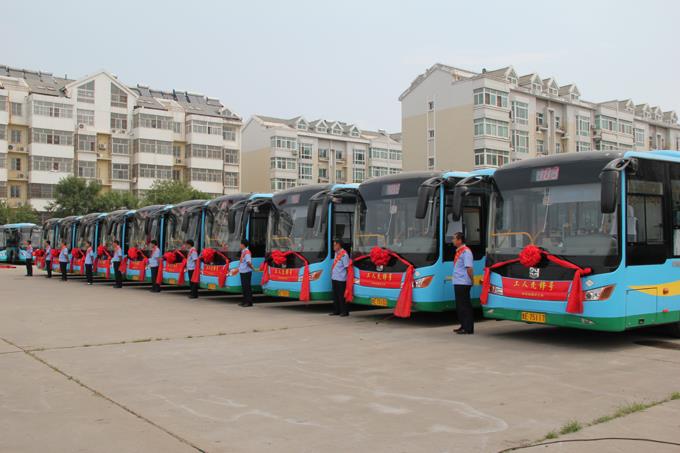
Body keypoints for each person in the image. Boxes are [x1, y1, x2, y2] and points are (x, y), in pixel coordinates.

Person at [452, 232, 475, 335]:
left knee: (465, 306)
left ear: (460, 240)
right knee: (460, 306)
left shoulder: (466, 252)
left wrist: (472, 280)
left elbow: (469, 268)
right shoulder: (459, 251)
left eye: (454, 238)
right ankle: (463, 326)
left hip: (463, 283)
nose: (453, 240)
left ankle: (468, 328)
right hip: (458, 282)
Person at [330, 239, 350, 316]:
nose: (333, 247)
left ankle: (344, 311)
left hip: (341, 279)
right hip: (334, 278)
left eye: (335, 245)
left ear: (339, 245)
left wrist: (348, 279)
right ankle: (336, 310)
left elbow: (347, 267)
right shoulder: (336, 253)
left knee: (341, 296)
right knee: (335, 295)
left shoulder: (344, 255)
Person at [238, 239, 254, 307]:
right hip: (243, 271)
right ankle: (244, 301)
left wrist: (252, 268)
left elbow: (248, 262)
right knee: (244, 287)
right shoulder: (243, 251)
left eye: (240, 244)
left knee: (247, 287)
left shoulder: (247, 252)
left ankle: (249, 302)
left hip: (246, 272)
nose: (240, 245)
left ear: (243, 245)